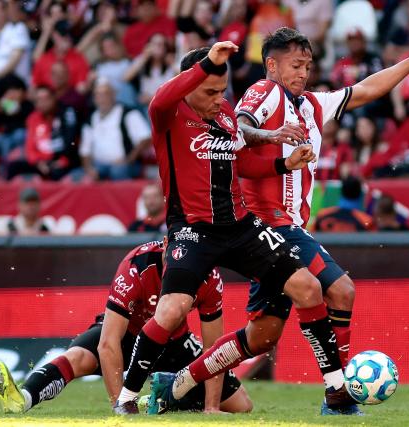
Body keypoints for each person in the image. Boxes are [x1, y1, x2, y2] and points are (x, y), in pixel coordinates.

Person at [150, 28, 409, 416]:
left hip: (288, 228)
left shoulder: (309, 104)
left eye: (308, 65)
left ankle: (177, 383)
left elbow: (364, 90)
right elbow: (238, 128)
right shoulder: (265, 92)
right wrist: (271, 134)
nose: (303, 73)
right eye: (296, 65)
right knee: (341, 289)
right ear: (272, 64)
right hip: (268, 227)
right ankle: (338, 395)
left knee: (261, 338)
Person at [114, 42, 341, 416]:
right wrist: (210, 62)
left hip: (239, 227)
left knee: (309, 287)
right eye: (210, 92)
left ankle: (336, 392)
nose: (219, 100)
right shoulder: (167, 117)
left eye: (223, 92)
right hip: (192, 231)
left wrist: (285, 165)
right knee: (171, 312)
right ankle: (127, 398)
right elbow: (158, 98)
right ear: (188, 85)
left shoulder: (225, 117)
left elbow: (244, 166)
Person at [0, 240, 253, 414]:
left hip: (174, 343)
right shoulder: (136, 266)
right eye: (174, 258)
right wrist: (121, 406)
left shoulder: (208, 275)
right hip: (129, 334)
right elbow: (108, 343)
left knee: (241, 405)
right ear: (164, 247)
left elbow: (214, 349)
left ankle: (164, 397)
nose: (181, 266)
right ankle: (22, 399)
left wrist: (211, 407)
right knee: (79, 358)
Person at [79, 79, 151, 181]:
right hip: (99, 165)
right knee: (79, 176)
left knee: (118, 171)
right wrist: (89, 169)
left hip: (126, 164)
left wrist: (128, 159)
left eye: (105, 94)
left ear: (114, 95)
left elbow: (145, 139)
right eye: (98, 95)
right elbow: (85, 150)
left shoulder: (128, 113)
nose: (101, 98)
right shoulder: (90, 119)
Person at [6, 85, 80, 181]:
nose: (42, 103)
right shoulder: (33, 118)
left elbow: (71, 142)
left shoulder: (66, 114)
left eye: (45, 99)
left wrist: (62, 161)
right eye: (38, 100)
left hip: (62, 160)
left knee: (56, 173)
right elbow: (30, 147)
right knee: (13, 167)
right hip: (41, 162)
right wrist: (38, 162)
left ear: (54, 98)